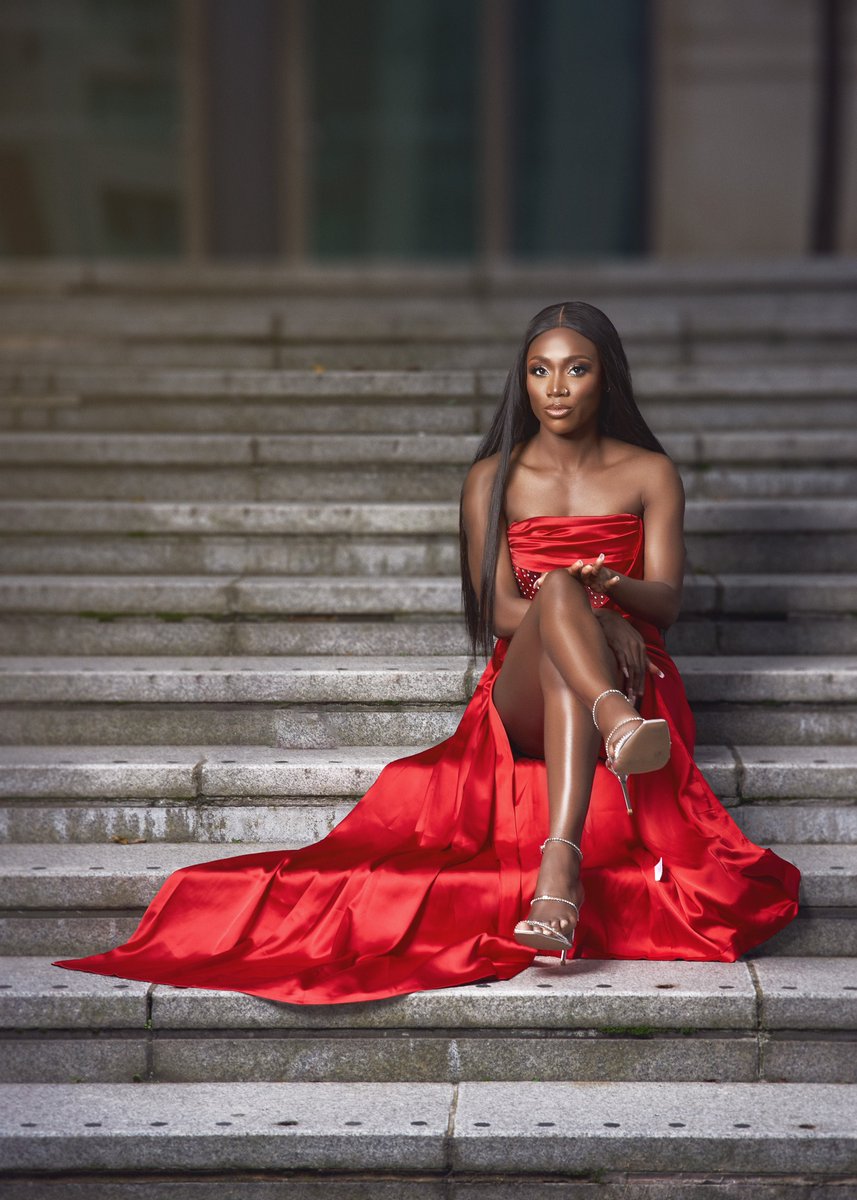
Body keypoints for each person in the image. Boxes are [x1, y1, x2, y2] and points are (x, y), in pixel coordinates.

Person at [54, 301, 800, 1005]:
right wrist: (587, 608)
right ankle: (609, 729)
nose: (556, 387)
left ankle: (558, 865)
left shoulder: (647, 473)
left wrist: (616, 592)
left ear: (606, 375)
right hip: (528, 690)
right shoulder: (492, 478)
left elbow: (667, 600)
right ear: (522, 379)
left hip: (641, 680)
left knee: (569, 612)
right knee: (555, 600)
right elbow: (504, 611)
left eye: (575, 368)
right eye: (539, 370)